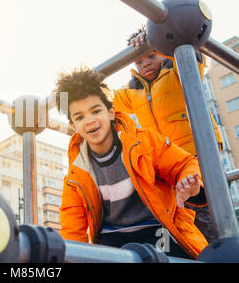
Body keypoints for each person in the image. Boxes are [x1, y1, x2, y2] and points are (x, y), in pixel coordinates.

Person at [56, 67, 208, 259]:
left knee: (168, 254)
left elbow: (184, 163)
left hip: (156, 227)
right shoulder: (76, 172)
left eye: (96, 111)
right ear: (73, 126)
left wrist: (190, 184)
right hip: (112, 238)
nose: (89, 120)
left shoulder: (143, 142)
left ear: (111, 112)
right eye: (79, 117)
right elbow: (72, 226)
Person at [112, 27, 220, 243]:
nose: (146, 63)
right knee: (181, 219)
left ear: (161, 52)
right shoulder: (133, 90)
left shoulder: (177, 69)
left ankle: (219, 249)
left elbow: (194, 55)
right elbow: (105, 103)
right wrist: (70, 93)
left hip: (197, 152)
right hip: (166, 162)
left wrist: (160, 38)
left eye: (151, 55)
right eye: (139, 60)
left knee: (207, 212)